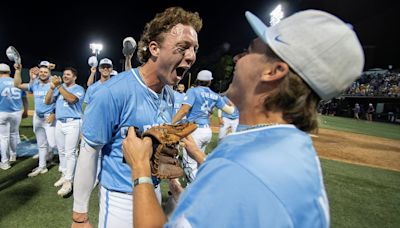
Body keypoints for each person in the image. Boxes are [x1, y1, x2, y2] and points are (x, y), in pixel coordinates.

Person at [122, 9, 364, 227]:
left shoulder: (242, 168)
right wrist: (200, 158)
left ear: (273, 71)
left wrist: (140, 168)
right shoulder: (290, 147)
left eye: (250, 51)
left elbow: (243, 181)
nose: (238, 59)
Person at [71, 7, 202, 227]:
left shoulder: (169, 94)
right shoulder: (112, 92)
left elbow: (161, 148)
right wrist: (80, 215)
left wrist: (172, 182)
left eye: (195, 49)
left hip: (153, 192)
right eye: (183, 48)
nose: (191, 57)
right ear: (154, 48)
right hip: (120, 198)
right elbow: (89, 150)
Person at [172, 69, 233, 182]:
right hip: (207, 131)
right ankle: (200, 184)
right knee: (200, 162)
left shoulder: (193, 91)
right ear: (209, 81)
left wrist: (171, 123)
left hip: (194, 131)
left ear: (198, 80)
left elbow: (184, 110)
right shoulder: (215, 95)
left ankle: (196, 188)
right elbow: (229, 110)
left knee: (189, 164)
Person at [45, 67, 85, 196]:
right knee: (61, 151)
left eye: (68, 74)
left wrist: (59, 87)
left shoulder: (79, 89)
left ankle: (69, 181)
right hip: (60, 123)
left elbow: (72, 100)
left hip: (73, 122)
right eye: (64, 74)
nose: (65, 76)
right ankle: (64, 174)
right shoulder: (58, 88)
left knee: (70, 153)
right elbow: (47, 101)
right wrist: (52, 88)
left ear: (74, 77)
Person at [14, 61, 57, 175]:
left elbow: (60, 101)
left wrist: (54, 113)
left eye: (45, 72)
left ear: (49, 73)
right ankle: (42, 166)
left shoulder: (53, 84)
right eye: (41, 71)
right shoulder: (35, 84)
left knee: (53, 144)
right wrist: (18, 70)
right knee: (41, 144)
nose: (43, 73)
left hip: (49, 117)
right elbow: (18, 85)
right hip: (38, 118)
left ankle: (69, 160)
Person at [0, 63, 28, 170]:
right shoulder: (16, 81)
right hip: (16, 113)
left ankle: (5, 162)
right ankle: (13, 155)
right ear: (9, 72)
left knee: (3, 138)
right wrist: (25, 110)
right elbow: (24, 98)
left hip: (2, 112)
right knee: (13, 134)